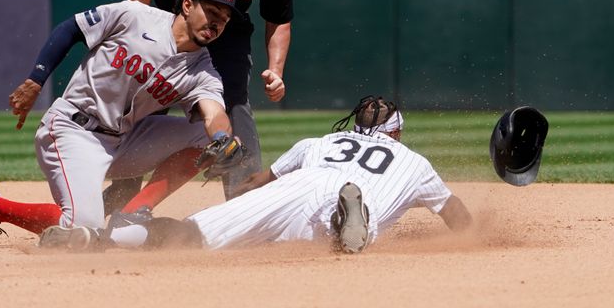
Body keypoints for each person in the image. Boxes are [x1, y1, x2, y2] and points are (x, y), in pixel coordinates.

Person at [0, 0, 244, 247]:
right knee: (82, 227)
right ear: (188, 5)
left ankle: (131, 214)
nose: (217, 24)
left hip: (124, 140)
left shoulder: (202, 68)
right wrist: (36, 80)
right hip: (73, 130)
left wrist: (222, 137)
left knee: (210, 139)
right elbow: (72, 28)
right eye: (212, 13)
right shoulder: (135, 16)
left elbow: (213, 113)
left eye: (225, 20)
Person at [39, 96, 473, 253]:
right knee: (343, 235)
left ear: (355, 127)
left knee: (194, 235)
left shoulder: (320, 142)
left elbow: (258, 182)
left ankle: (96, 240)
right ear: (395, 132)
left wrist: (238, 193)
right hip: (348, 196)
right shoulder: (415, 163)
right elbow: (457, 218)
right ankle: (347, 221)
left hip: (294, 186)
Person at [106, 0, 294, 205]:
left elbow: (278, 20)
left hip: (228, 35)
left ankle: (244, 201)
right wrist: (144, 32)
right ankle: (123, 190)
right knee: (149, 104)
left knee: (233, 102)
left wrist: (276, 69)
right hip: (170, 27)